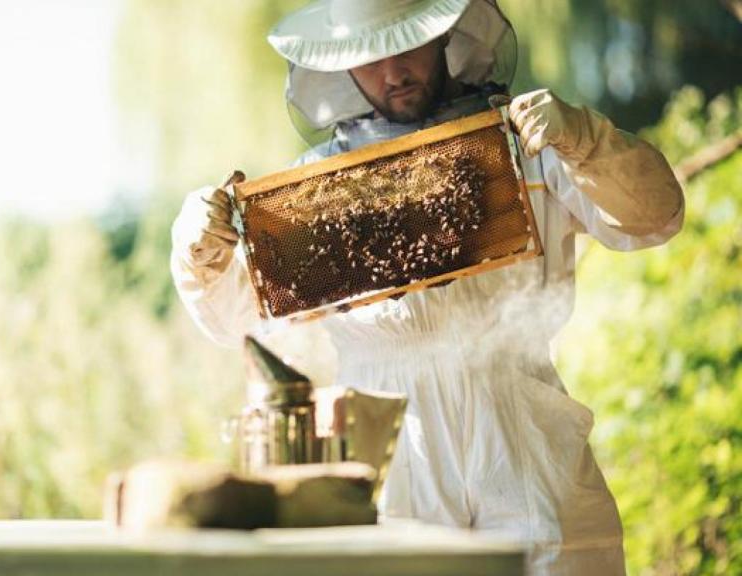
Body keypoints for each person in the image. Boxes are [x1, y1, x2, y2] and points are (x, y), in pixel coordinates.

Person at [169, 0, 684, 574]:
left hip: (523, 429)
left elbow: (655, 217)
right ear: (341, 66)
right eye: (369, 59)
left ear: (443, 36)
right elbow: (233, 321)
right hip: (393, 448)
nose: (393, 73)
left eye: (406, 46)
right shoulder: (311, 188)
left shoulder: (526, 144)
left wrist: (589, 142)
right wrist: (201, 253)